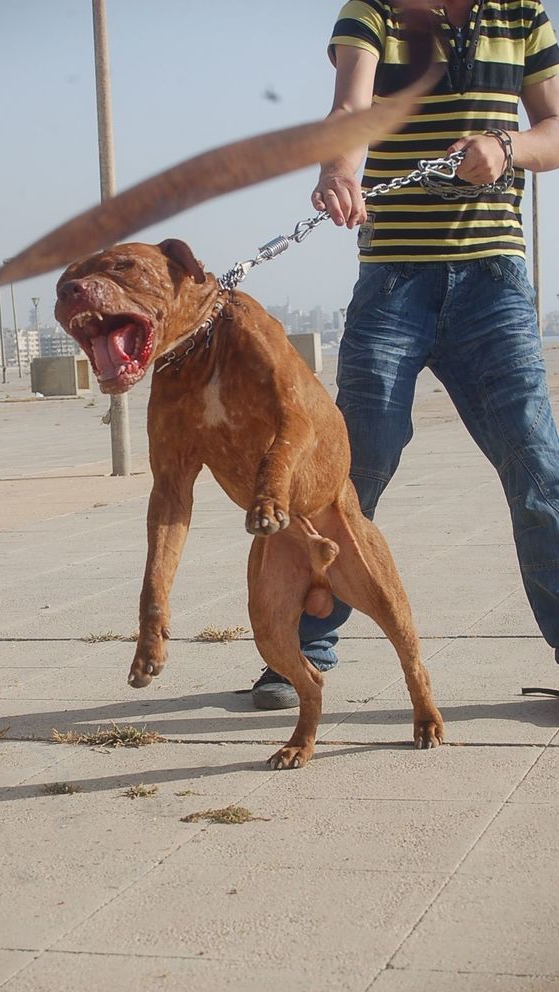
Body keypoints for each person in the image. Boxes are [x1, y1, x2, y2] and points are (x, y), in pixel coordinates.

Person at [252, 0, 559, 709]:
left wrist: (507, 148)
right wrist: (339, 170)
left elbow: (553, 129)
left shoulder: (521, 16)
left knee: (539, 464)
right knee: (347, 473)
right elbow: (351, 109)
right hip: (393, 283)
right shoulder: (373, 12)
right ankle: (298, 652)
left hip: (494, 285)